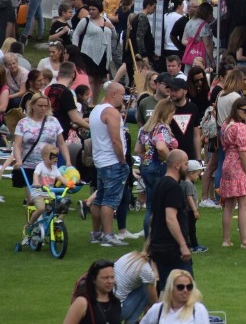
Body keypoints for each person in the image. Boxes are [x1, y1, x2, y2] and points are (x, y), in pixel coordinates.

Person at [90, 83, 131, 247]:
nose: (124, 98)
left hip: (100, 160)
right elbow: (116, 140)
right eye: (122, 95)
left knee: (99, 198)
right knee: (110, 200)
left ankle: (96, 233)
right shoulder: (111, 113)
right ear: (113, 94)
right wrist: (122, 159)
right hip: (112, 161)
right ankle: (108, 235)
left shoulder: (96, 110)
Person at [149, 150, 193, 292]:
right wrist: (182, 245)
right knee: (184, 289)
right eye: (186, 164)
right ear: (177, 165)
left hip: (158, 246)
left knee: (166, 291)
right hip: (172, 249)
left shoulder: (159, 184)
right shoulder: (174, 187)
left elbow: (153, 218)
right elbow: (170, 218)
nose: (188, 167)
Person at [136, 99, 179, 237]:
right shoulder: (162, 128)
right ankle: (158, 237)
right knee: (160, 206)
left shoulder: (144, 128)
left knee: (150, 206)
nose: (172, 117)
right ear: (166, 113)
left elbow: (138, 149)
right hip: (159, 167)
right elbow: (161, 147)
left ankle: (149, 239)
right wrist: (171, 161)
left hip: (147, 167)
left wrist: (147, 159)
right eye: (172, 113)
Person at [11, 91, 71, 185]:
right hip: (29, 165)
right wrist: (18, 159)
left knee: (48, 195)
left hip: (49, 165)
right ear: (33, 105)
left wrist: (68, 161)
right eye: (40, 106)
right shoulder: (23, 123)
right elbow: (17, 145)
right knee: (34, 196)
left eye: (45, 106)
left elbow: (61, 143)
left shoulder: (53, 121)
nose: (43, 108)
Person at [219, 97, 246, 249]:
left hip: (227, 163)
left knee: (228, 204)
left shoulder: (226, 124)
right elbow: (242, 153)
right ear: (237, 109)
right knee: (243, 204)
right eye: (245, 110)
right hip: (238, 165)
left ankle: (226, 239)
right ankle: (245, 240)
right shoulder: (240, 127)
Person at [72, 0, 116, 103]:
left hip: (103, 54)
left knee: (99, 80)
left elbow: (115, 36)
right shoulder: (85, 21)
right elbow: (76, 34)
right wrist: (76, 49)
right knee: (90, 79)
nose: (91, 12)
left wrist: (112, 27)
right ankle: (88, 101)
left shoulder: (106, 20)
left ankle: (94, 102)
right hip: (88, 53)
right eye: (90, 9)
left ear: (99, 10)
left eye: (94, 9)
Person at [114, 247, 159, 324]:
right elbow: (155, 302)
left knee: (143, 286)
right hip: (116, 312)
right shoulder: (146, 270)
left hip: (106, 309)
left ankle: (131, 323)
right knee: (146, 289)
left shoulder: (130, 255)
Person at [44, 61, 89, 139]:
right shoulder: (66, 93)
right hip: (60, 134)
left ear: (59, 73)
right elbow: (75, 118)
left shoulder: (48, 88)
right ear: (73, 74)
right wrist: (92, 128)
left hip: (46, 130)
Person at [166, 76, 201, 160]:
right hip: (172, 155)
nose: (173, 93)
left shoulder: (193, 108)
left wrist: (198, 158)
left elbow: (196, 134)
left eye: (176, 90)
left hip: (190, 155)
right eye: (171, 90)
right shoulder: (166, 108)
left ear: (185, 91)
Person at [182, 159, 206, 253]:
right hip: (190, 211)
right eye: (197, 174)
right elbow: (189, 197)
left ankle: (189, 244)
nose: (198, 176)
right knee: (191, 229)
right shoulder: (188, 184)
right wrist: (195, 210)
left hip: (187, 210)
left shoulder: (184, 182)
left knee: (188, 228)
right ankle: (194, 246)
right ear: (190, 173)